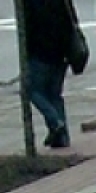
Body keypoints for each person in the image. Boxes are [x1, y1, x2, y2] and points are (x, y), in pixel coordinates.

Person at [19, 0, 83, 150]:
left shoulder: (30, 3)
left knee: (32, 90)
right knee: (54, 94)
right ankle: (62, 137)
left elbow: (28, 26)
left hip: (40, 53)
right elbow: (71, 20)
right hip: (62, 52)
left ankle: (56, 123)